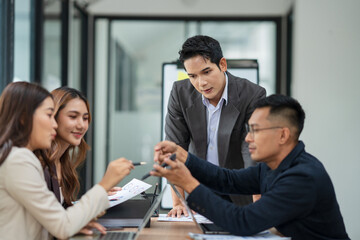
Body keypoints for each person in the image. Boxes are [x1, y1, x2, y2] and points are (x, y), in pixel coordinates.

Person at [152, 94, 349, 239]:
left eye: (255, 130)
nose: (248, 138)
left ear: (283, 135)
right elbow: (228, 180)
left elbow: (243, 222)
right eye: (249, 130)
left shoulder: (302, 177)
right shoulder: (274, 166)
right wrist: (186, 157)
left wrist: (188, 183)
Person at [0, 82, 134, 240]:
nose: (54, 125)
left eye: (85, 118)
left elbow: (49, 221)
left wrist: (79, 221)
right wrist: (104, 185)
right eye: (49, 115)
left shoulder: (25, 158)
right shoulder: (19, 160)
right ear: (24, 118)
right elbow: (62, 225)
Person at [165, 35, 266, 216]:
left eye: (206, 72)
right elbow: (174, 148)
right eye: (193, 76)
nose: (201, 83)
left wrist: (258, 206)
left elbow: (253, 151)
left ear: (222, 65)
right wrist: (179, 203)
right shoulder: (180, 93)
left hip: (240, 193)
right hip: (198, 191)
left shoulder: (252, 94)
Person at [36, 86, 118, 235]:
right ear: (53, 117)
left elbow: (62, 214)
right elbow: (53, 223)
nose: (81, 125)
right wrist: (102, 187)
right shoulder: (38, 163)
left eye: (85, 118)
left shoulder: (62, 162)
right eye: (73, 117)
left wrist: (100, 197)